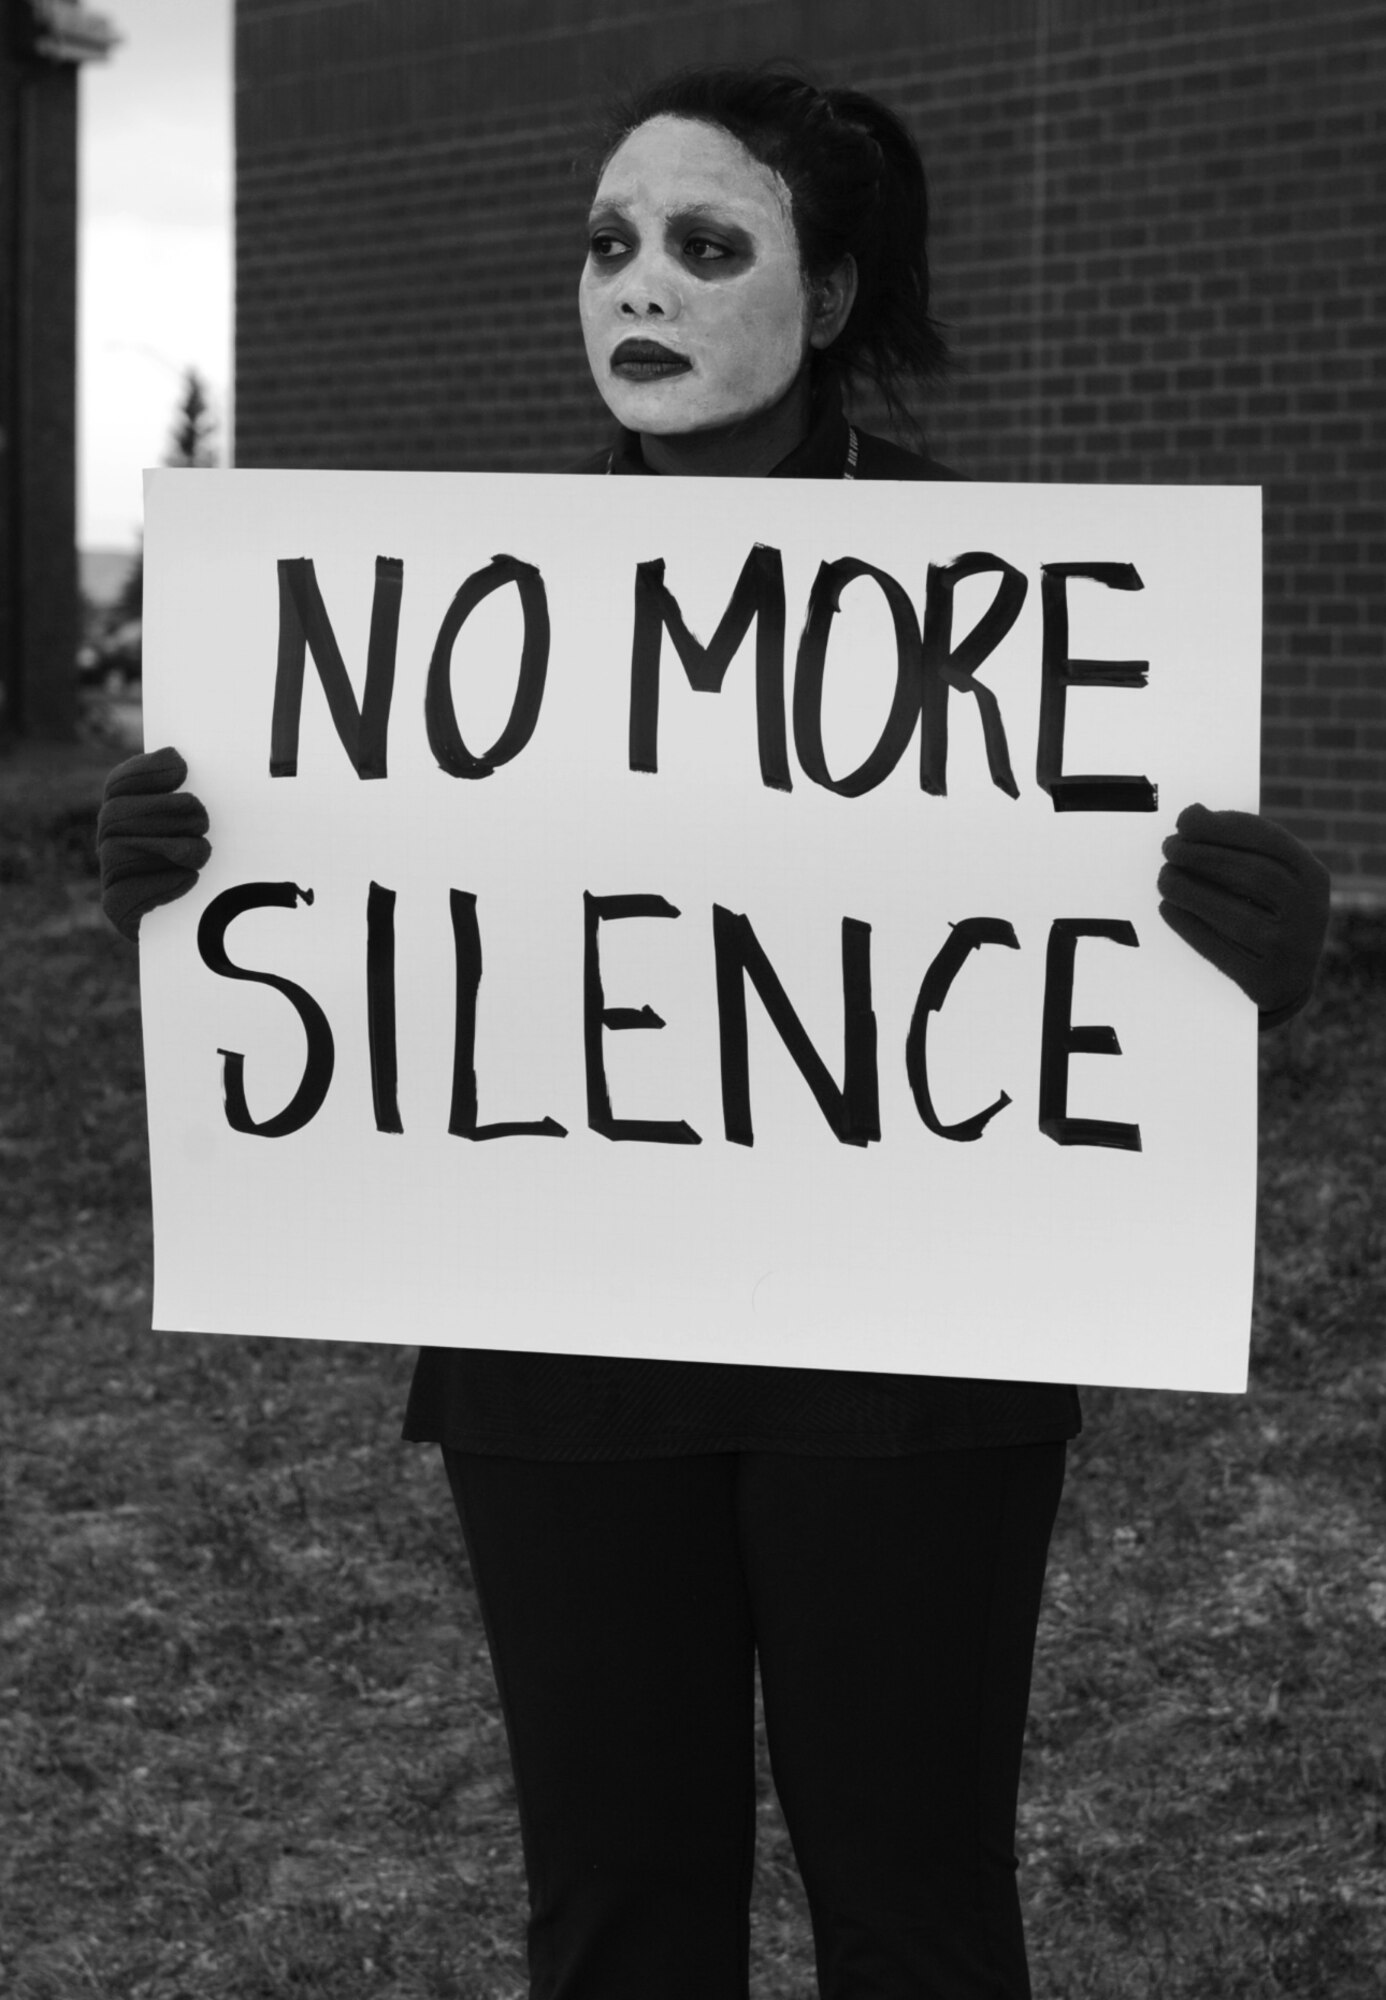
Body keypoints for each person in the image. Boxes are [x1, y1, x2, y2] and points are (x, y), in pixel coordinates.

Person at [97, 65, 1331, 2000]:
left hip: (919, 1365)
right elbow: (369, 929)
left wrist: (1242, 957)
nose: (637, 291)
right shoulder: (438, 629)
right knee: (615, 1911)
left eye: (703, 244)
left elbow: (1074, 961)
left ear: (826, 300)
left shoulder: (1019, 613)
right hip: (569, 1363)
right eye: (605, 247)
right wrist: (192, 870)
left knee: (916, 1910)